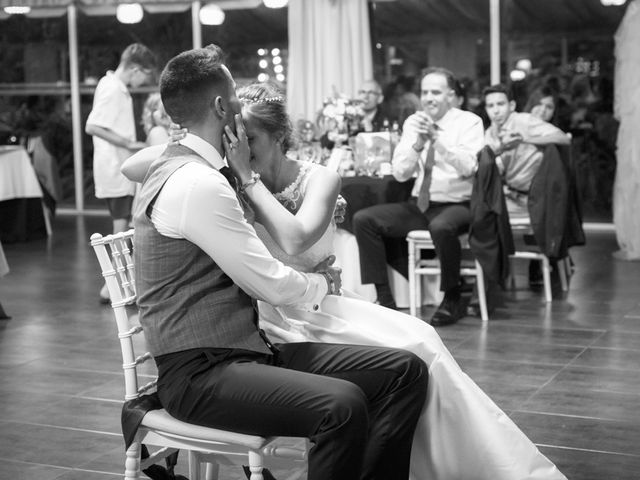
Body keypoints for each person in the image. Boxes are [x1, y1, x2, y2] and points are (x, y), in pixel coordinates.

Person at [124, 80, 567, 480]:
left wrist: (244, 172)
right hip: (254, 324)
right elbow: (136, 166)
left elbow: (296, 243)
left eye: (250, 138)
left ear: (279, 137)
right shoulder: (207, 179)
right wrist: (198, 140)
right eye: (232, 136)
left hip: (295, 311)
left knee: (415, 356)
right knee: (354, 395)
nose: (241, 146)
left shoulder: (305, 176)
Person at [131, 45, 428, 480]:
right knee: (341, 407)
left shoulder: (204, 171)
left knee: (405, 371)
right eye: (235, 96)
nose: (240, 104)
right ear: (220, 106)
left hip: (244, 352)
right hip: (200, 375)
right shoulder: (196, 182)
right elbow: (269, 284)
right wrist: (323, 283)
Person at [352, 67, 485, 325]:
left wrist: (438, 140)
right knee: (363, 219)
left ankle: (453, 296)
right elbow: (401, 174)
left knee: (442, 226)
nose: (429, 98)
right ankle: (385, 300)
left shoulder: (469, 122)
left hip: (458, 203)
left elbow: (470, 167)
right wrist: (417, 144)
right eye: (425, 92)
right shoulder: (414, 122)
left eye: (436, 92)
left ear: (450, 95)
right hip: (421, 205)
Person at [85, 42, 157, 303]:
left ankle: (118, 287)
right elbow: (93, 125)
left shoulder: (114, 87)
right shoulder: (113, 89)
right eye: (145, 75)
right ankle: (113, 288)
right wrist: (128, 143)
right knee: (120, 232)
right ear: (136, 69)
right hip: (114, 168)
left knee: (122, 228)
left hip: (117, 167)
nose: (143, 82)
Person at [483, 84, 571, 219]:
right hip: (508, 195)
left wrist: (524, 139)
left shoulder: (524, 121)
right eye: (490, 106)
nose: (495, 110)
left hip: (535, 198)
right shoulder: (490, 133)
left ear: (511, 106)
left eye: (500, 104)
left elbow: (564, 139)